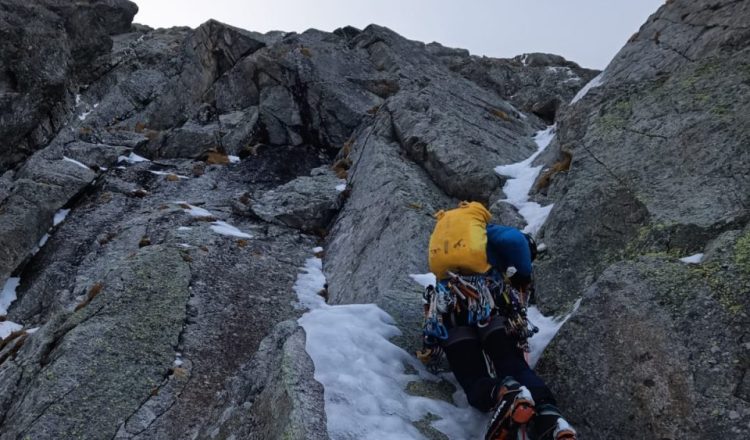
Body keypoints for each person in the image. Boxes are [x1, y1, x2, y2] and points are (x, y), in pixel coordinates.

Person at [420, 202, 576, 440]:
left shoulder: (448, 240)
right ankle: (550, 417)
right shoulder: (488, 233)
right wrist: (523, 273)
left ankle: (505, 394)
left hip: (450, 309)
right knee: (511, 363)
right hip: (490, 304)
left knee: (472, 378)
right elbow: (514, 241)